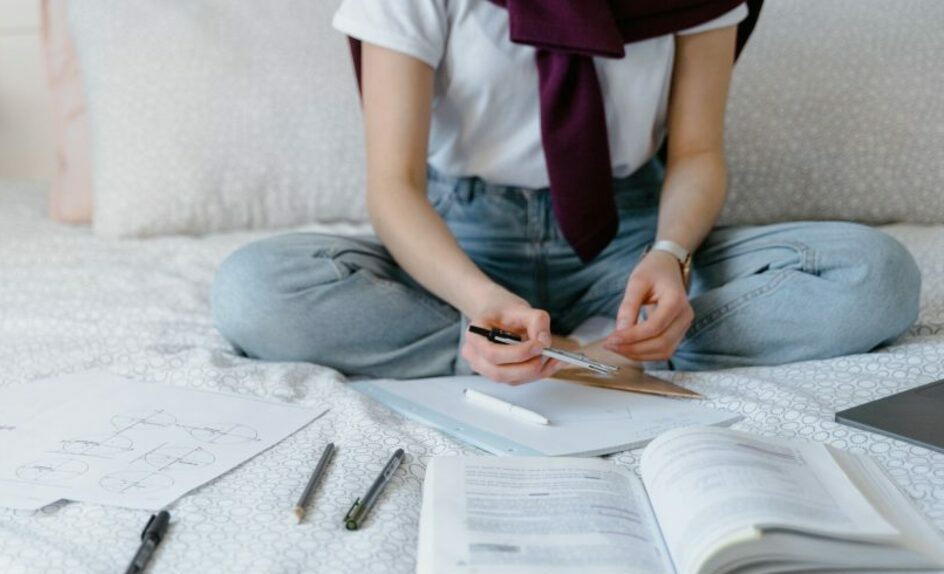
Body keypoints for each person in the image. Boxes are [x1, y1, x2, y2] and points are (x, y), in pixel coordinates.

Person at [211, 0, 920, 384]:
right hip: (460, 246)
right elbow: (393, 188)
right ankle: (500, 345)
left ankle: (615, 347)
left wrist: (671, 256)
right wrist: (480, 306)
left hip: (631, 237)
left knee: (877, 276)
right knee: (254, 291)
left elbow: (698, 152)